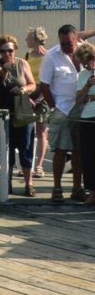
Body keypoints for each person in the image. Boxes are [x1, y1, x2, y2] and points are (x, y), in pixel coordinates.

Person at [40, 23, 86, 204]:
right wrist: (53, 107)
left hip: (82, 107)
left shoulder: (86, 51)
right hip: (62, 108)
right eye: (63, 43)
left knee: (79, 150)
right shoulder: (51, 56)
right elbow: (44, 84)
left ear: (76, 39)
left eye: (69, 43)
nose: (66, 47)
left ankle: (77, 187)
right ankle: (57, 187)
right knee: (60, 149)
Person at [0, 35, 36, 196]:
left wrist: (23, 90)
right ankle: (7, 184)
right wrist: (2, 68)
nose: (7, 54)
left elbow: (32, 84)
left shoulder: (23, 63)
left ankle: (29, 185)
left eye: (10, 50)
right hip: (5, 112)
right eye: (3, 50)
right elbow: (3, 78)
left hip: (23, 109)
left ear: (15, 50)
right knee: (7, 149)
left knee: (26, 147)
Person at [25, 26, 50, 178]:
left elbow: (48, 79)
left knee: (41, 131)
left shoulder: (48, 56)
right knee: (27, 131)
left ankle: (39, 166)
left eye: (28, 38)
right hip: (29, 95)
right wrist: (27, 97)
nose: (26, 40)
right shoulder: (27, 56)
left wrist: (42, 97)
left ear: (35, 39)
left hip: (44, 95)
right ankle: (27, 164)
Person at [74, 42, 95, 206]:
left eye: (89, 61)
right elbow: (79, 100)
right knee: (88, 157)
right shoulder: (82, 76)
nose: (87, 65)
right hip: (87, 118)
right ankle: (92, 192)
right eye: (84, 62)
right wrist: (88, 86)